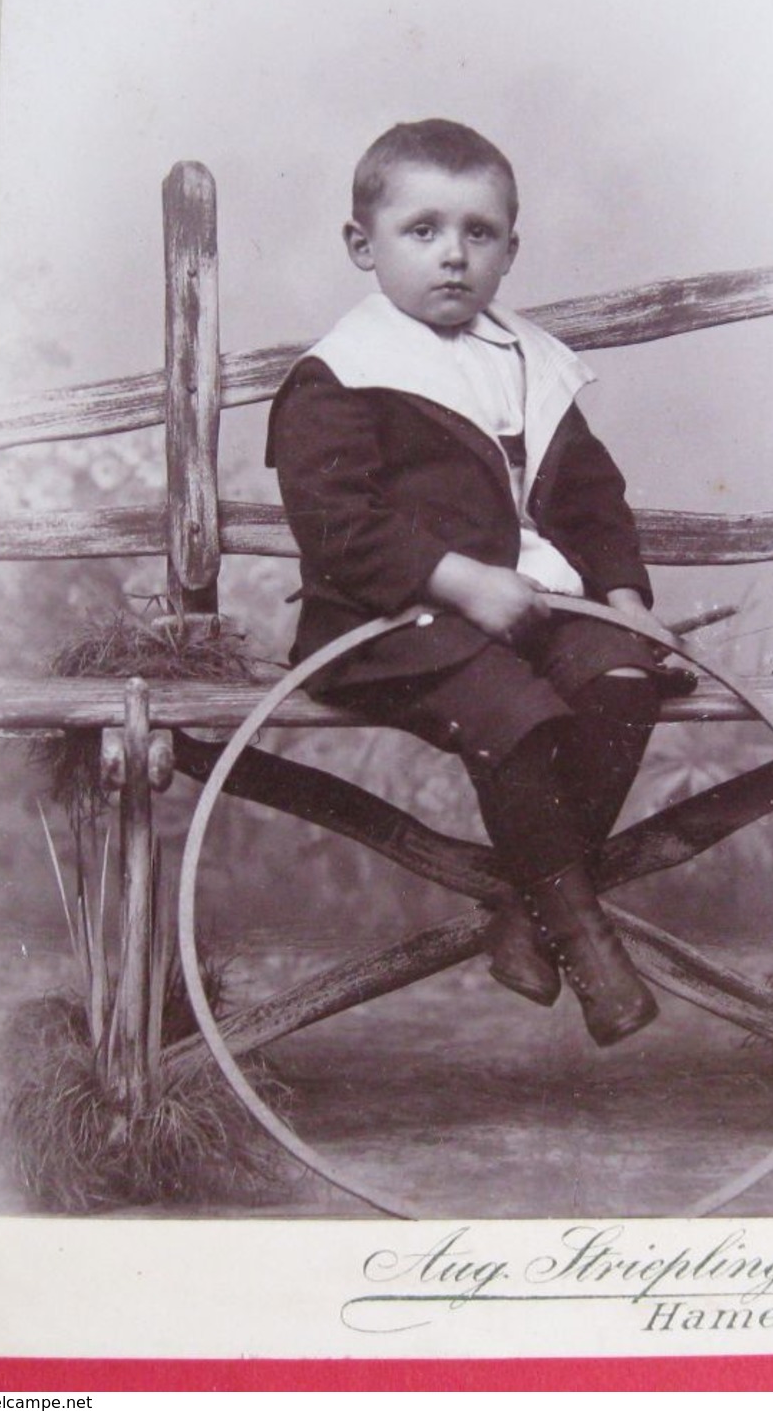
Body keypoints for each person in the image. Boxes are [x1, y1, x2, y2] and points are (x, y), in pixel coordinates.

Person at [266, 118, 680, 1047]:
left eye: (478, 233)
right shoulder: (341, 375)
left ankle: (523, 921)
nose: (451, 256)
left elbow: (590, 500)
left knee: (622, 681)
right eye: (422, 231)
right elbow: (339, 525)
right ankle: (584, 942)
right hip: (387, 623)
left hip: (528, 607)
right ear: (362, 247)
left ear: (509, 250)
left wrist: (623, 598)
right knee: (514, 713)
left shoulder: (529, 365)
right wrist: (457, 580)